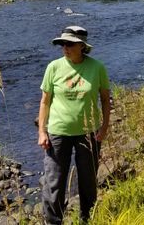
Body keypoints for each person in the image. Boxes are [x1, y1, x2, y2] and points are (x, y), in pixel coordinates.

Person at [37, 25, 111, 224]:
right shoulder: (53, 67)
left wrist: (104, 128)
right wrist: (42, 132)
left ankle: (87, 219)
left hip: (89, 133)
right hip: (58, 133)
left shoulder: (97, 68)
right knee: (54, 182)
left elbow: (105, 99)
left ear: (82, 46)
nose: (65, 47)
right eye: (62, 43)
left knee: (87, 181)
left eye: (69, 44)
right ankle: (53, 222)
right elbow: (45, 101)